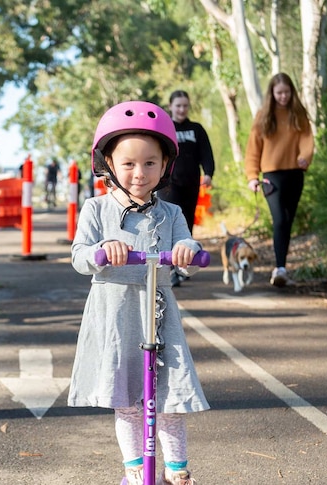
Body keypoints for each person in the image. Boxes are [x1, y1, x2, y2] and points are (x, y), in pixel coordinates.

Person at [69, 101, 207, 485]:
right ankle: (135, 469)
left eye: (150, 163)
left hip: (159, 311)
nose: (139, 172)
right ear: (108, 163)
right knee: (127, 400)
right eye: (128, 163)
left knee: (170, 398)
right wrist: (101, 252)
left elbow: (191, 256)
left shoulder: (172, 213)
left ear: (165, 166)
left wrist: (188, 253)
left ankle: (177, 470)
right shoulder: (95, 210)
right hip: (116, 312)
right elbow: (79, 256)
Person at [244, 72, 314, 287]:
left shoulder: (298, 114)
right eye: (279, 93)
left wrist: (305, 157)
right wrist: (252, 176)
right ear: (272, 94)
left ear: (292, 92)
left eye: (286, 92)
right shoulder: (263, 116)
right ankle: (280, 268)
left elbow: (307, 140)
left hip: (294, 173)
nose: (283, 96)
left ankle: (281, 267)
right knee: (280, 220)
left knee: (288, 222)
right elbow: (253, 149)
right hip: (271, 177)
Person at [161, 90, 216, 287]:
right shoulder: (164, 127)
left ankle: (183, 264)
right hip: (168, 185)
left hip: (191, 183)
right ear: (170, 106)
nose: (182, 109)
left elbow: (206, 153)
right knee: (169, 223)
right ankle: (168, 266)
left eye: (185, 105)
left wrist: (208, 172)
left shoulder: (196, 129)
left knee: (186, 223)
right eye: (178, 105)